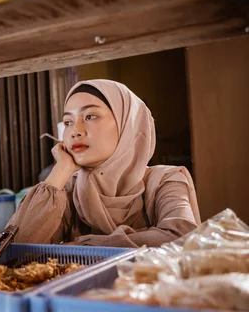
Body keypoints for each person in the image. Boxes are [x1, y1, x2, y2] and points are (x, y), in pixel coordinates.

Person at [11, 79, 200, 247]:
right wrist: (60, 171)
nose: (75, 131)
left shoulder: (164, 181)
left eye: (90, 116)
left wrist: (82, 245)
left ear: (128, 125)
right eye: (68, 122)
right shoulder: (68, 189)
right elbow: (15, 248)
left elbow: (182, 239)